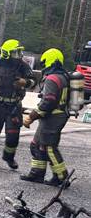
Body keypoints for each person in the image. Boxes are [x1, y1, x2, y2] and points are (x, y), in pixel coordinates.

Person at [20, 48, 71, 187]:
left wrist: (31, 117)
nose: (42, 65)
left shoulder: (52, 79)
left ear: (49, 61)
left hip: (53, 118)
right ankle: (37, 174)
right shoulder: (63, 76)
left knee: (49, 147)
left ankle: (62, 177)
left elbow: (48, 101)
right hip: (55, 116)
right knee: (37, 145)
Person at [0, 39, 34, 169]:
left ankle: (9, 158)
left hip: (14, 106)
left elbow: (33, 81)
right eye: (16, 52)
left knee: (12, 136)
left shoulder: (23, 66)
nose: (19, 54)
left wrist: (25, 82)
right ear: (7, 53)